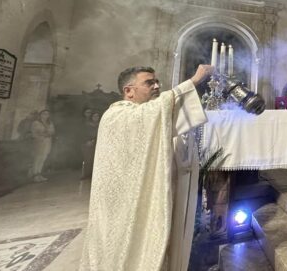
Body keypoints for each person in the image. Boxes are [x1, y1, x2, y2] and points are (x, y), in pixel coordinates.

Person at [80, 64, 213, 271]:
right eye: (149, 82)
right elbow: (156, 110)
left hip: (141, 195)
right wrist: (194, 81)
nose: (157, 86)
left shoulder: (145, 115)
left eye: (156, 81)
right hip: (119, 203)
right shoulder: (117, 115)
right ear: (128, 91)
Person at [29, 110, 54, 182]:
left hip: (48, 142)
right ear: (40, 115)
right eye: (44, 114)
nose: (45, 115)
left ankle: (39, 174)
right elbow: (34, 133)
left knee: (43, 158)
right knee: (37, 158)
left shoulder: (50, 123)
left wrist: (48, 133)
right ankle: (35, 175)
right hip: (39, 142)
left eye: (47, 114)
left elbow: (52, 131)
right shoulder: (36, 123)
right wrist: (44, 134)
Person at [80, 111, 100, 180]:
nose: (96, 118)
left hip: (97, 144)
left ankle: (93, 175)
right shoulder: (86, 125)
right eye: (94, 116)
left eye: (97, 116)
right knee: (87, 160)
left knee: (95, 160)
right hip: (87, 144)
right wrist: (87, 141)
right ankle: (86, 175)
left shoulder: (100, 125)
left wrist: (94, 140)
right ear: (91, 117)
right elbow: (82, 134)